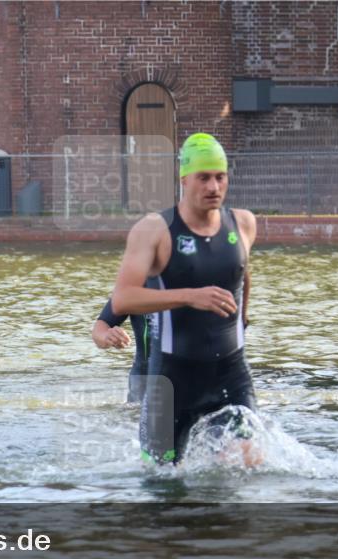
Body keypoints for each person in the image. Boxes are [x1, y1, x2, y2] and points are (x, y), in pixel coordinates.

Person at [111, 133, 259, 466]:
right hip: (173, 380)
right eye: (203, 178)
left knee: (250, 464)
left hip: (231, 373)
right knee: (161, 483)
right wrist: (190, 297)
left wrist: (243, 316)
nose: (213, 187)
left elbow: (242, 271)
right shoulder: (154, 230)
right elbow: (122, 299)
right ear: (184, 180)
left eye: (220, 177)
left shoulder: (244, 223)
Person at [91, 298, 148, 403]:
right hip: (144, 380)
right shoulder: (135, 286)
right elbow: (99, 329)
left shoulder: (187, 289)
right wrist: (107, 336)